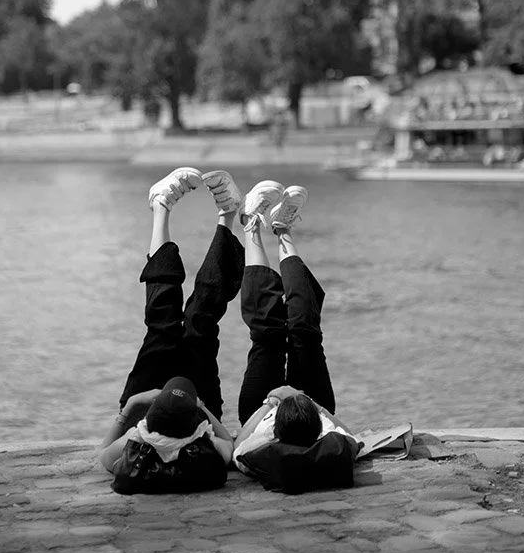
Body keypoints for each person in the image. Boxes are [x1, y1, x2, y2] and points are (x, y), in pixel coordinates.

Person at [98, 166, 244, 493]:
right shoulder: (205, 456)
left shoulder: (134, 453)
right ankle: (227, 215)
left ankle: (160, 207)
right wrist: (199, 409)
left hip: (155, 408)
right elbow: (228, 447)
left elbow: (103, 454)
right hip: (194, 408)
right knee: (200, 321)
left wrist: (132, 409)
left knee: (163, 325)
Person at [232, 181, 363, 490]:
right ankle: (281, 228)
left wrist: (273, 403)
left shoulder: (257, 453)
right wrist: (312, 406)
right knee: (305, 329)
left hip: (261, 408)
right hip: (311, 405)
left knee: (268, 333)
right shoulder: (333, 450)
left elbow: (239, 441)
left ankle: (250, 224)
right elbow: (352, 439)